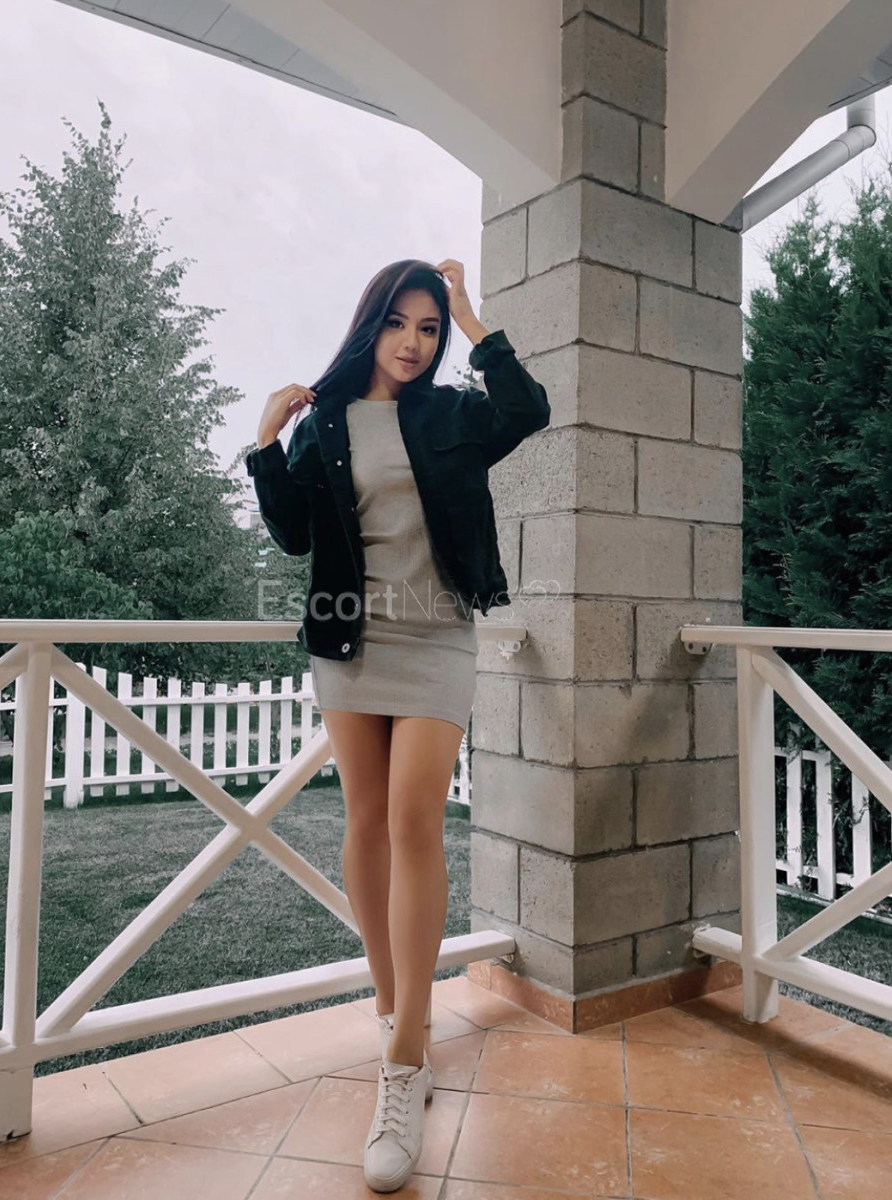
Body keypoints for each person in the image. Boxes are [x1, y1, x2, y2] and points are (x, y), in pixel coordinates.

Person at [246, 257, 549, 1192]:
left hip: (437, 637)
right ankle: (395, 1013)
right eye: (399, 324)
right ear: (369, 325)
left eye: (428, 327)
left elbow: (528, 408)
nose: (414, 343)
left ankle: (406, 1063)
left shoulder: (455, 413)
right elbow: (295, 535)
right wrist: (266, 442)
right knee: (367, 824)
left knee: (416, 821)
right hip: (349, 639)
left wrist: (474, 318)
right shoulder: (328, 422)